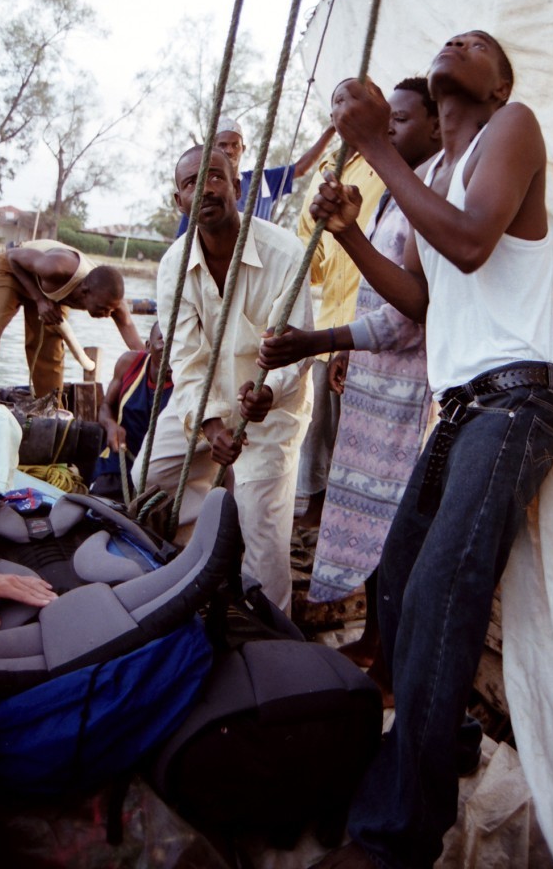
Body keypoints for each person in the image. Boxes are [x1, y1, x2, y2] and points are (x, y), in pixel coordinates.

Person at [310, 32, 553, 869]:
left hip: (517, 397)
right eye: (451, 36)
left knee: (437, 599)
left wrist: (373, 147)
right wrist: (354, 235)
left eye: (481, 46)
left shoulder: (513, 128)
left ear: (497, 86)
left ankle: (396, 838)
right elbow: (423, 300)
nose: (460, 40)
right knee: (398, 591)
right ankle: (441, 741)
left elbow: (469, 242)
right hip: (464, 409)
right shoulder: (427, 179)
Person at [259, 78, 441, 677]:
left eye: (402, 121)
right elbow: (376, 291)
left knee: (395, 524)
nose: (387, 131)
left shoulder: (429, 190)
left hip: (412, 396)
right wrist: (349, 349)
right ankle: (373, 642)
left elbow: (411, 313)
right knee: (371, 515)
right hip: (376, 384)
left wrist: (322, 339)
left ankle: (388, 662)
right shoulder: (395, 191)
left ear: (438, 128)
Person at [134, 145, 313, 612]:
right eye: (191, 183)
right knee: (147, 476)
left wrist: (269, 392)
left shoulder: (284, 252)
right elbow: (187, 360)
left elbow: (296, 344)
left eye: (215, 177)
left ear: (238, 187)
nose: (204, 189)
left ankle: (272, 636)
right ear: (179, 202)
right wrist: (212, 427)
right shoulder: (175, 265)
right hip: (203, 404)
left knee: (264, 534)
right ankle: (207, 555)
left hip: (271, 410)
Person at [294, 86, 388, 528]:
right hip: (327, 332)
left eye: (355, 100)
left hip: (374, 332)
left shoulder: (391, 161)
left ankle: (353, 534)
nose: (342, 109)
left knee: (362, 449)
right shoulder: (326, 172)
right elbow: (307, 264)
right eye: (336, 102)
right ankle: (314, 535)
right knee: (317, 439)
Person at [0, 239, 143, 397]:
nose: (107, 315)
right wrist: (39, 299)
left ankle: (50, 407)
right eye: (103, 309)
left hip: (48, 289)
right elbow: (12, 256)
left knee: (49, 347)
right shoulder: (58, 268)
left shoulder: (111, 300)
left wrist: (150, 361)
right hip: (14, 268)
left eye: (111, 310)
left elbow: (131, 334)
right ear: (84, 291)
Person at [175, 115, 335, 233]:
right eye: (222, 145)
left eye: (235, 145)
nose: (229, 150)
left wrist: (331, 129)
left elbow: (300, 168)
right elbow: (183, 243)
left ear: (243, 149)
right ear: (212, 149)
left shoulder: (262, 181)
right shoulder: (203, 193)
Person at [90, 321, 174, 501]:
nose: (170, 348)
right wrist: (111, 425)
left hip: (160, 470)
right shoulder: (129, 363)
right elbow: (106, 406)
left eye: (177, 343)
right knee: (100, 508)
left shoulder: (189, 381)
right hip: (119, 459)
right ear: (148, 346)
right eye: (162, 340)